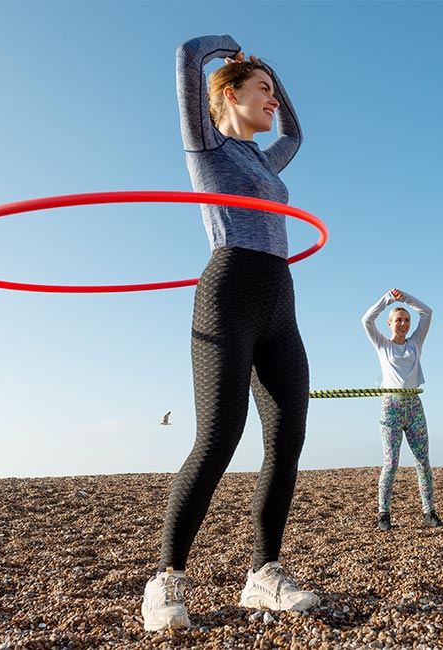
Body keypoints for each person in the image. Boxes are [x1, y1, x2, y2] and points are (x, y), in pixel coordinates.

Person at [141, 34, 319, 632]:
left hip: (279, 299)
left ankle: (263, 574)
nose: (271, 100)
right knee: (219, 438)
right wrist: (230, 51)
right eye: (260, 91)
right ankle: (166, 579)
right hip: (228, 290)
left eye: (272, 92)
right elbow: (188, 55)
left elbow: (296, 134)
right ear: (227, 95)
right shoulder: (206, 145)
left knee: (288, 435)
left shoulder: (264, 159)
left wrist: (273, 74)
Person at [363, 288, 443, 531]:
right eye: (398, 319)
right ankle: (383, 515)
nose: (403, 323)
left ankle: (429, 513)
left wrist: (405, 298)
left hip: (414, 406)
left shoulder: (416, 343)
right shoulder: (382, 345)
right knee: (391, 463)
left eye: (407, 320)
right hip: (391, 407)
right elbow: (366, 319)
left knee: (423, 461)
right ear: (389, 323)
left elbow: (428, 312)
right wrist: (388, 299)